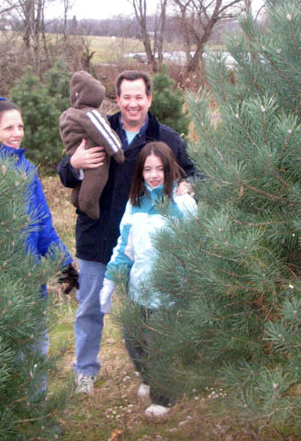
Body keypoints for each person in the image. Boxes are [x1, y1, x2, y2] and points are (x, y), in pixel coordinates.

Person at [56, 70, 196, 394]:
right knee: (90, 306)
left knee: (145, 313)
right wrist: (75, 162)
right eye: (126, 97)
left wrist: (188, 187)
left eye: (139, 97)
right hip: (99, 236)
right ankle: (85, 371)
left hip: (145, 245)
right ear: (116, 99)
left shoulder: (167, 139)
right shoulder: (98, 128)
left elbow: (194, 172)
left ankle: (152, 373)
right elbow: (64, 172)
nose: (133, 104)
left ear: (149, 98)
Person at [0, 97, 78, 398]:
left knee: (33, 355)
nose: (17, 133)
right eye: (8, 128)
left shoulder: (27, 171)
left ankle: (34, 417)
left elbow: (43, 228)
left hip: (29, 285)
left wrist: (67, 272)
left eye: (20, 126)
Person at [99, 142, 197, 417]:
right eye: (147, 169)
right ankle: (150, 377)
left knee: (159, 347)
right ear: (140, 173)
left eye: (160, 169)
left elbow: (195, 248)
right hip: (139, 289)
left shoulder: (183, 204)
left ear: (169, 170)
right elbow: (124, 248)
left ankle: (162, 401)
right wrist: (109, 282)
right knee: (133, 339)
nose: (154, 175)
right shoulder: (134, 205)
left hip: (170, 293)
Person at [59, 70, 124, 220]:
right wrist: (117, 152)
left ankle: (78, 200)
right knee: (94, 184)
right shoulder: (91, 115)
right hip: (97, 157)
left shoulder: (68, 114)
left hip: (79, 152)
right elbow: (106, 134)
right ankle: (89, 206)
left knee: (84, 187)